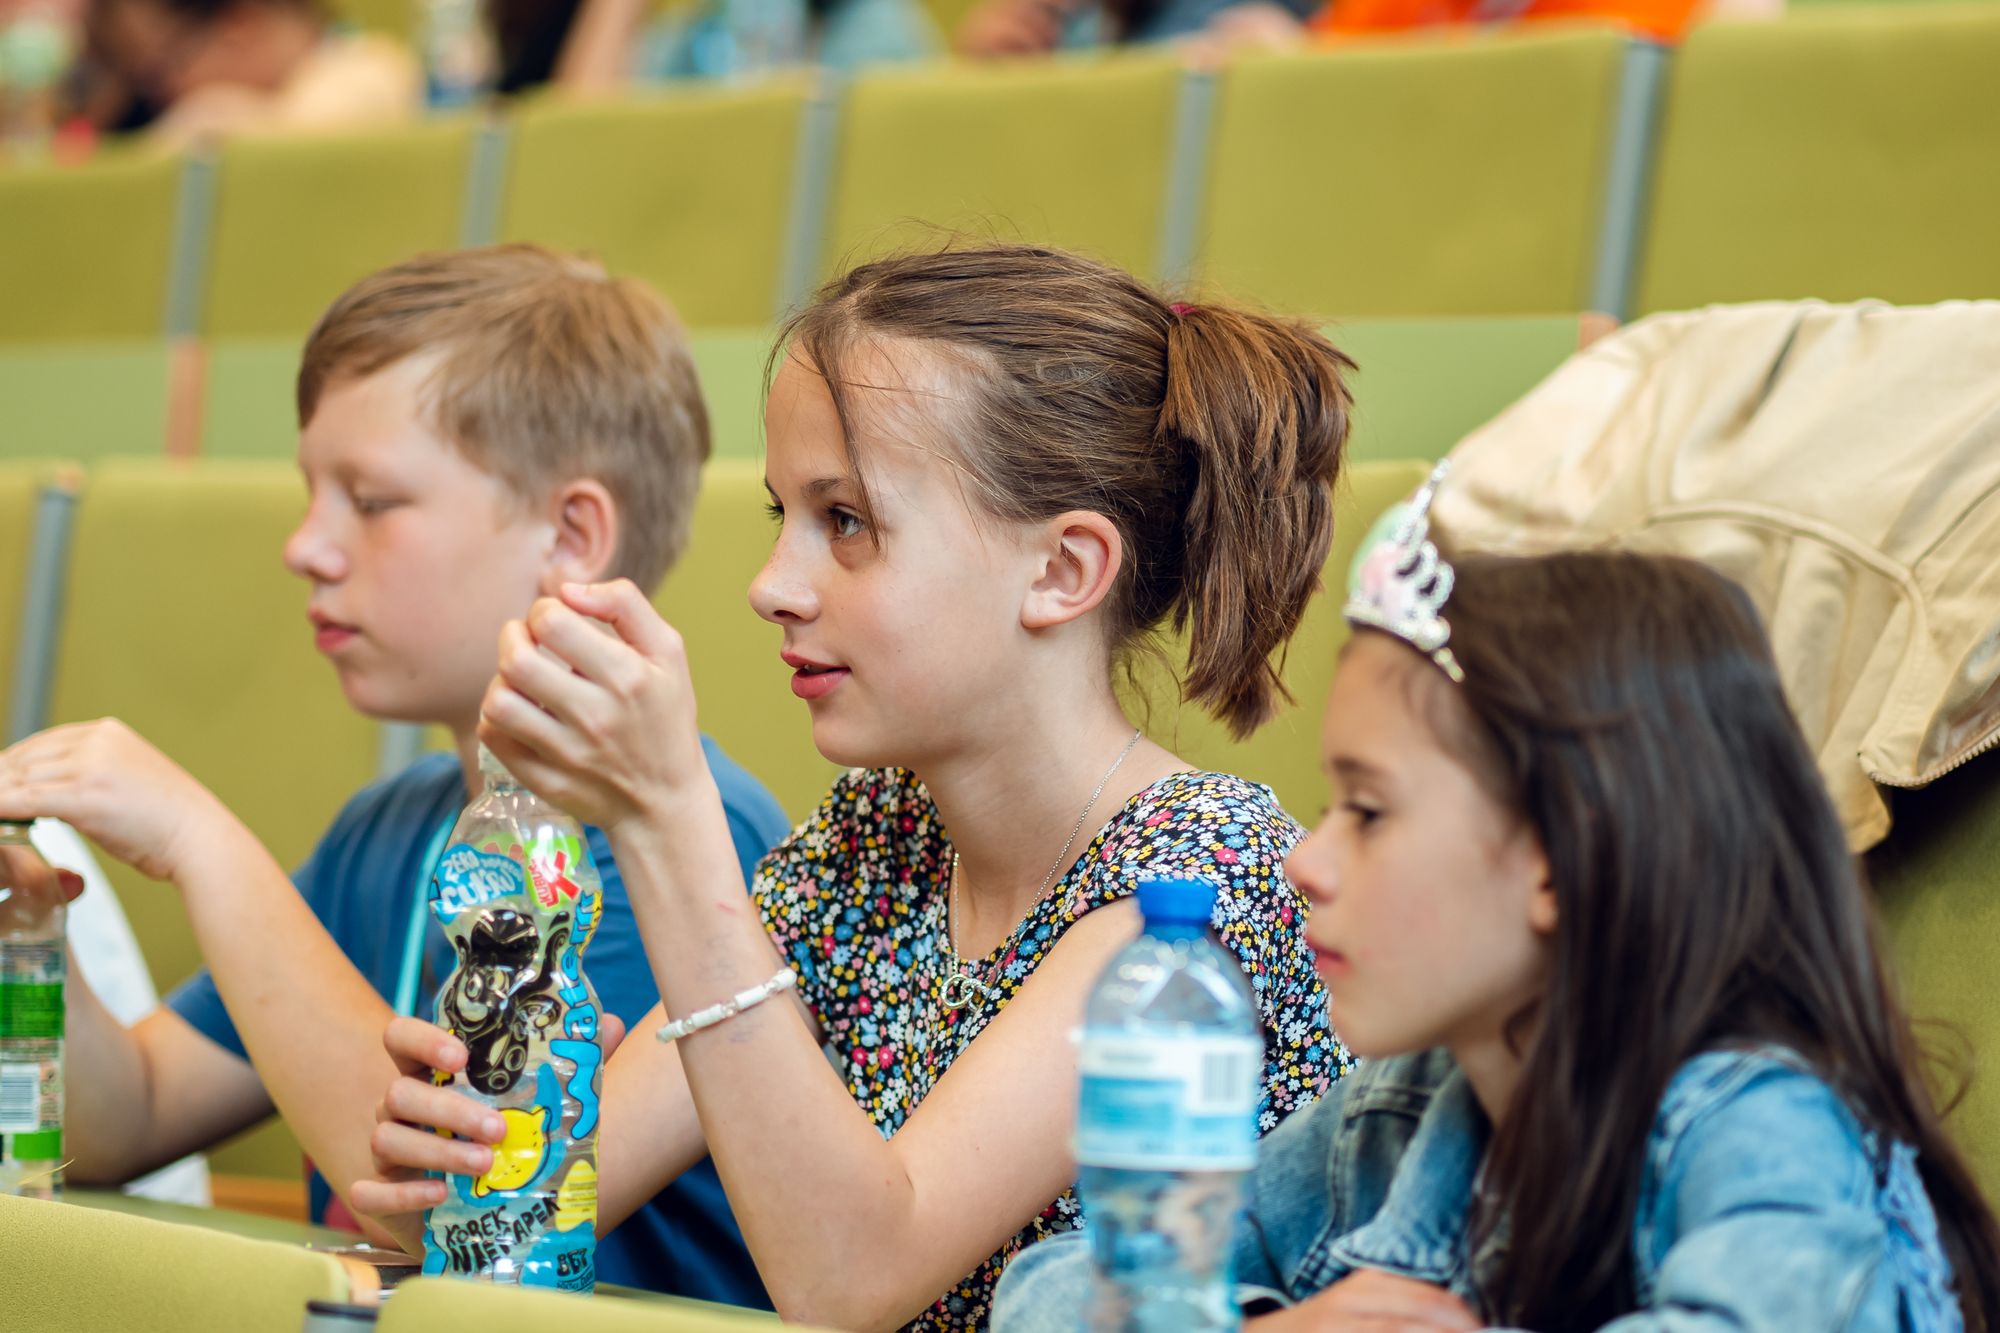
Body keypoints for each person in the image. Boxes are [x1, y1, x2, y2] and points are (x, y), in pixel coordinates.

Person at [351, 242, 1354, 1330]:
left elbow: (850, 1280)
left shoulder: (1199, 887)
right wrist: (468, 1153)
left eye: (846, 521)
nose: (772, 585)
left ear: (1062, 570)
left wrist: (665, 811)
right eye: (781, 515)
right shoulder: (879, 839)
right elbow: (533, 1204)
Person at [991, 468, 2000, 1331]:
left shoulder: (1756, 1123)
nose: (1306, 861)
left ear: (1559, 858)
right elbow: (1055, 1284)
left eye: (1368, 812)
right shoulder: (1400, 1106)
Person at [0, 245, 790, 1306]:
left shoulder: (690, 847)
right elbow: (129, 1116)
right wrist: (29, 941)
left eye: (370, 501)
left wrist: (199, 841)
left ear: (569, 535)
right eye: (310, 495)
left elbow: (441, 1208)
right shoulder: (384, 826)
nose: (305, 547)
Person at [83, 0, 416, 143]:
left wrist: (208, 117)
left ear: (239, 27)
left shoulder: (368, 68)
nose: (160, 98)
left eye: (159, 72)